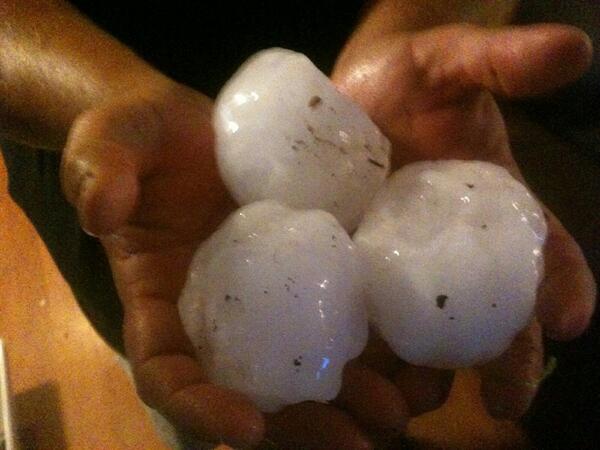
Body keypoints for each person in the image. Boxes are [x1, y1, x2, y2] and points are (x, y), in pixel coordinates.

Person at [0, 1, 596, 448]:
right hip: (120, 155)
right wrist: (102, 94)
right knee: (195, 394)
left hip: (360, 63)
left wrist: (418, 17)